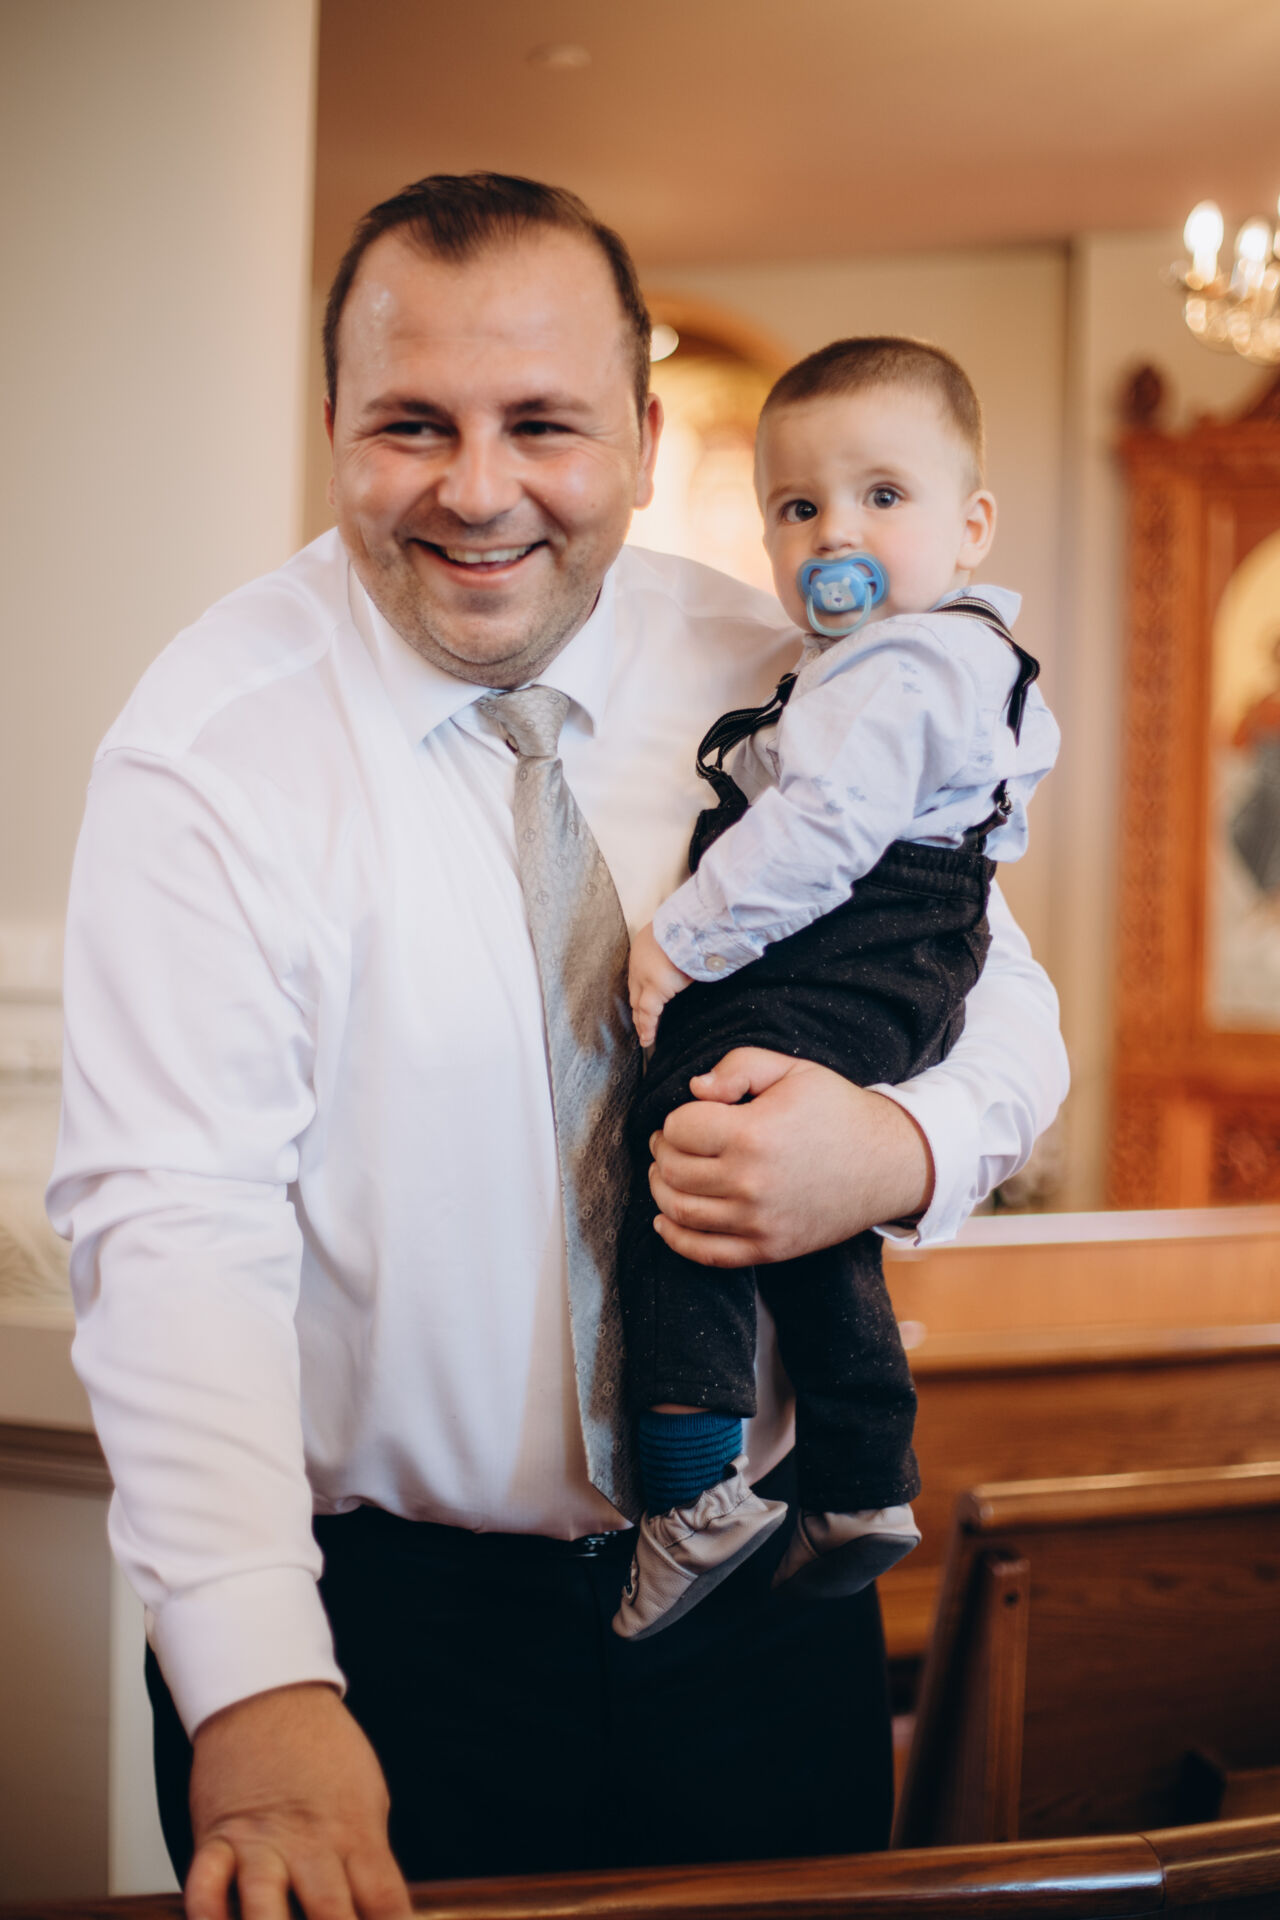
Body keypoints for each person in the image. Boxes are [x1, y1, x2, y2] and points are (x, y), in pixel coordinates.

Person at [46, 174, 1068, 1920]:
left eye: (543, 423)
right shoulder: (208, 746)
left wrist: (895, 1148)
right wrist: (258, 1687)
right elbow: (173, 1230)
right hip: (387, 1637)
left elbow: (1002, 997)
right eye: (412, 424)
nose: (477, 487)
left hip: (764, 1611)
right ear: (332, 426)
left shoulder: (789, 662)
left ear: (645, 438)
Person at [614, 338, 1059, 1639]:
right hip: (903, 940)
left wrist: (680, 941)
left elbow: (826, 830)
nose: (836, 535)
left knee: (688, 1135)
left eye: (883, 496)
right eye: (799, 506)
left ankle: (694, 1486)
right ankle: (862, 1477)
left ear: (971, 526)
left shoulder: (894, 665)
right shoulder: (906, 661)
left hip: (863, 935)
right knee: (774, 1182)